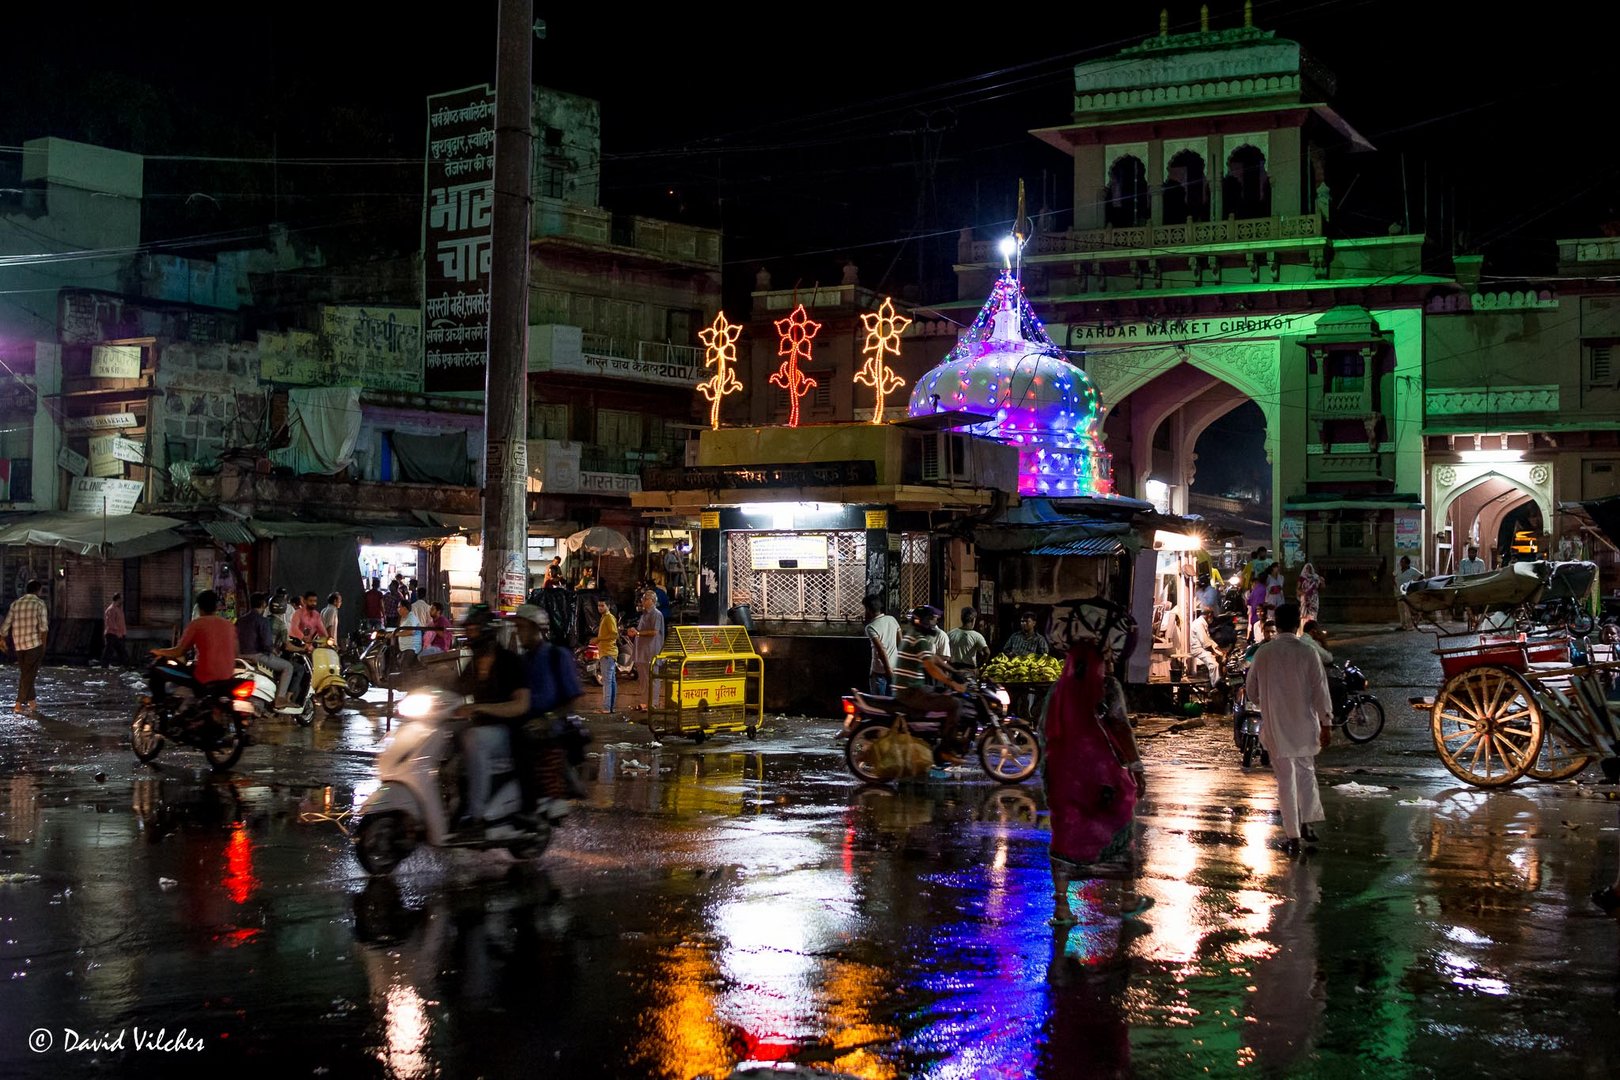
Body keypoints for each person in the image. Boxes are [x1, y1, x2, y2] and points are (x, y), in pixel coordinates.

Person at [1043, 608, 1147, 926]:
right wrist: (1136, 767)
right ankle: (1128, 897)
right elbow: (1121, 727)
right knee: (1117, 831)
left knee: (1065, 834)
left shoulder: (1057, 691)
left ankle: (1062, 908)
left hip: (1062, 776)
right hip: (1103, 779)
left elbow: (1042, 729)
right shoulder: (1108, 688)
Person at [1245, 602, 1333, 856]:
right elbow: (1321, 692)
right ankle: (1308, 824)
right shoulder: (1308, 652)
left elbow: (1252, 691)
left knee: (1286, 780)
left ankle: (1293, 836)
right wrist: (1326, 724)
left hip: (1276, 726)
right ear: (1298, 624)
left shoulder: (1264, 653)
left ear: (1276, 624)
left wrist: (1267, 702)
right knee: (1306, 773)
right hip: (1305, 724)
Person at [454, 605, 531, 834]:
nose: (470, 634)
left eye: (474, 629)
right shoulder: (472, 666)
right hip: (483, 730)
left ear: (486, 631)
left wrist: (480, 708)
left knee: (472, 738)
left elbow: (521, 704)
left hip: (509, 734)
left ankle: (476, 816)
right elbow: (453, 693)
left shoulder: (510, 662)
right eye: (468, 629)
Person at [512, 604, 583, 822]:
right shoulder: (522, 660)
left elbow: (573, 698)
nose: (518, 634)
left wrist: (548, 720)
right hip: (526, 719)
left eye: (522, 628)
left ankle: (538, 800)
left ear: (536, 629)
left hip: (552, 724)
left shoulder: (557, 655)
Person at [892, 606, 966, 765]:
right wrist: (952, 683)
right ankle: (945, 751)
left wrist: (953, 670)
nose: (934, 624)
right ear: (924, 622)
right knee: (955, 704)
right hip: (910, 691)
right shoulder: (919, 640)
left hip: (912, 688)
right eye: (933, 620)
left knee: (945, 694)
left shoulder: (914, 636)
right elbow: (931, 668)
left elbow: (933, 658)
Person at [151, 589, 238, 696]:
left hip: (203, 679)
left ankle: (159, 704)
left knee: (158, 669)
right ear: (216, 607)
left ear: (199, 607)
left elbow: (179, 652)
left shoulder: (197, 624)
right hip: (227, 678)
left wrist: (158, 652)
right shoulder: (229, 625)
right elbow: (236, 652)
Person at [237, 591, 293, 708]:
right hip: (256, 656)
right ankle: (280, 698)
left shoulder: (240, 620)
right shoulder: (263, 621)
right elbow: (267, 644)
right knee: (288, 667)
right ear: (263, 605)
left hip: (239, 656)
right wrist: (274, 651)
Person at [0, 579, 49, 712]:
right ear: (38, 590)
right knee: (28, 675)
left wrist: (2, 640)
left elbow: (6, 624)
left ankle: (32, 702)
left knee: (27, 673)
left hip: (19, 645)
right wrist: (43, 645)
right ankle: (18, 703)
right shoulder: (39, 603)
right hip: (34, 644)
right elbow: (44, 627)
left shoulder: (16, 604)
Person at [625, 589, 665, 711]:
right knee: (643, 679)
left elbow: (654, 632)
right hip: (642, 651)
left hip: (651, 651)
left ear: (652, 601)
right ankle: (644, 702)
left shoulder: (656, 614)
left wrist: (638, 633)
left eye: (645, 599)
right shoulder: (644, 614)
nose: (642, 601)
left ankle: (653, 703)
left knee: (653, 678)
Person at [863, 595, 899, 695]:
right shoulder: (892, 620)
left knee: (878, 703)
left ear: (868, 609)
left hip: (879, 670)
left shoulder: (870, 627)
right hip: (895, 667)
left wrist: (888, 670)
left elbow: (881, 649)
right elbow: (900, 641)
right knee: (892, 702)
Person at [593, 597, 620, 714]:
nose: (600, 608)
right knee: (611, 681)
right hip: (607, 653)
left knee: (607, 682)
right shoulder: (604, 618)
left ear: (608, 606)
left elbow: (614, 635)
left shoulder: (609, 618)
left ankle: (606, 708)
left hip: (608, 653)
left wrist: (599, 639)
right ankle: (611, 707)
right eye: (599, 605)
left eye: (602, 605)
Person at [1187, 607, 1222, 688]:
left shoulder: (1203, 623)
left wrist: (1218, 649)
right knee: (1214, 665)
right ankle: (1216, 686)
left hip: (1203, 649)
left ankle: (1220, 680)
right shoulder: (1199, 624)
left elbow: (1209, 639)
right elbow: (1205, 642)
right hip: (1199, 650)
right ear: (1209, 615)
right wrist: (1214, 653)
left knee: (1222, 658)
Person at [1457, 545, 1487, 630]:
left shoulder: (1480, 562)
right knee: (1465, 603)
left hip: (1476, 586)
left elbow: (1481, 575)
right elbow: (1461, 575)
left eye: (1473, 553)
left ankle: (1476, 618)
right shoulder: (1463, 562)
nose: (1471, 554)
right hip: (1466, 586)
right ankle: (1473, 619)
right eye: (1470, 553)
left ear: (1476, 553)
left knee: (1478, 604)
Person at [1395, 555, 1425, 631]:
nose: (1401, 563)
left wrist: (1415, 585)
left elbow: (1421, 576)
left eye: (1403, 562)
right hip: (1399, 592)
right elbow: (1394, 576)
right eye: (1401, 562)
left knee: (1407, 609)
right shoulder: (1398, 570)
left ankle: (1409, 625)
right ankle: (1403, 625)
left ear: (1407, 563)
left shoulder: (1412, 570)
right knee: (1401, 609)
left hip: (1407, 593)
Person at [102, 592, 128, 668]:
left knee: (121, 651)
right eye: (121, 599)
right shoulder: (111, 609)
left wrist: (123, 632)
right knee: (109, 651)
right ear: (118, 599)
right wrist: (118, 632)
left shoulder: (118, 609)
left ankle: (125, 665)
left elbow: (121, 623)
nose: (122, 600)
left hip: (118, 634)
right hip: (112, 634)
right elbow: (111, 623)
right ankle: (104, 666)